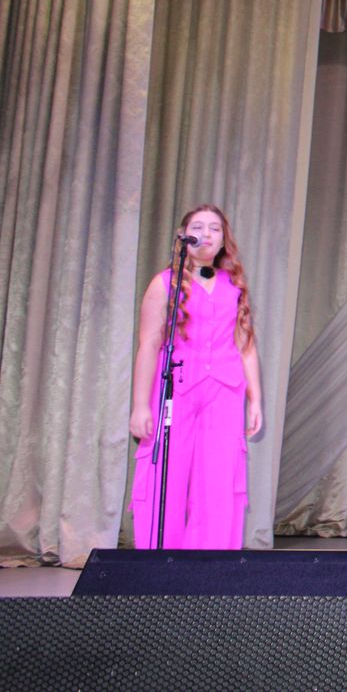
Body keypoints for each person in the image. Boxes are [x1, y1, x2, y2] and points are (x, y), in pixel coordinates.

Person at [129, 204, 263, 549]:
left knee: (218, 480)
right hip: (176, 388)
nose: (206, 234)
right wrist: (140, 406)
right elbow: (149, 345)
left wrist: (255, 399)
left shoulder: (234, 285)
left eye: (214, 228)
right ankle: (160, 560)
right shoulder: (164, 284)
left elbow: (246, 345)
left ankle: (210, 565)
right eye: (198, 227)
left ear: (223, 239)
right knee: (166, 475)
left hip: (224, 391)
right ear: (184, 236)